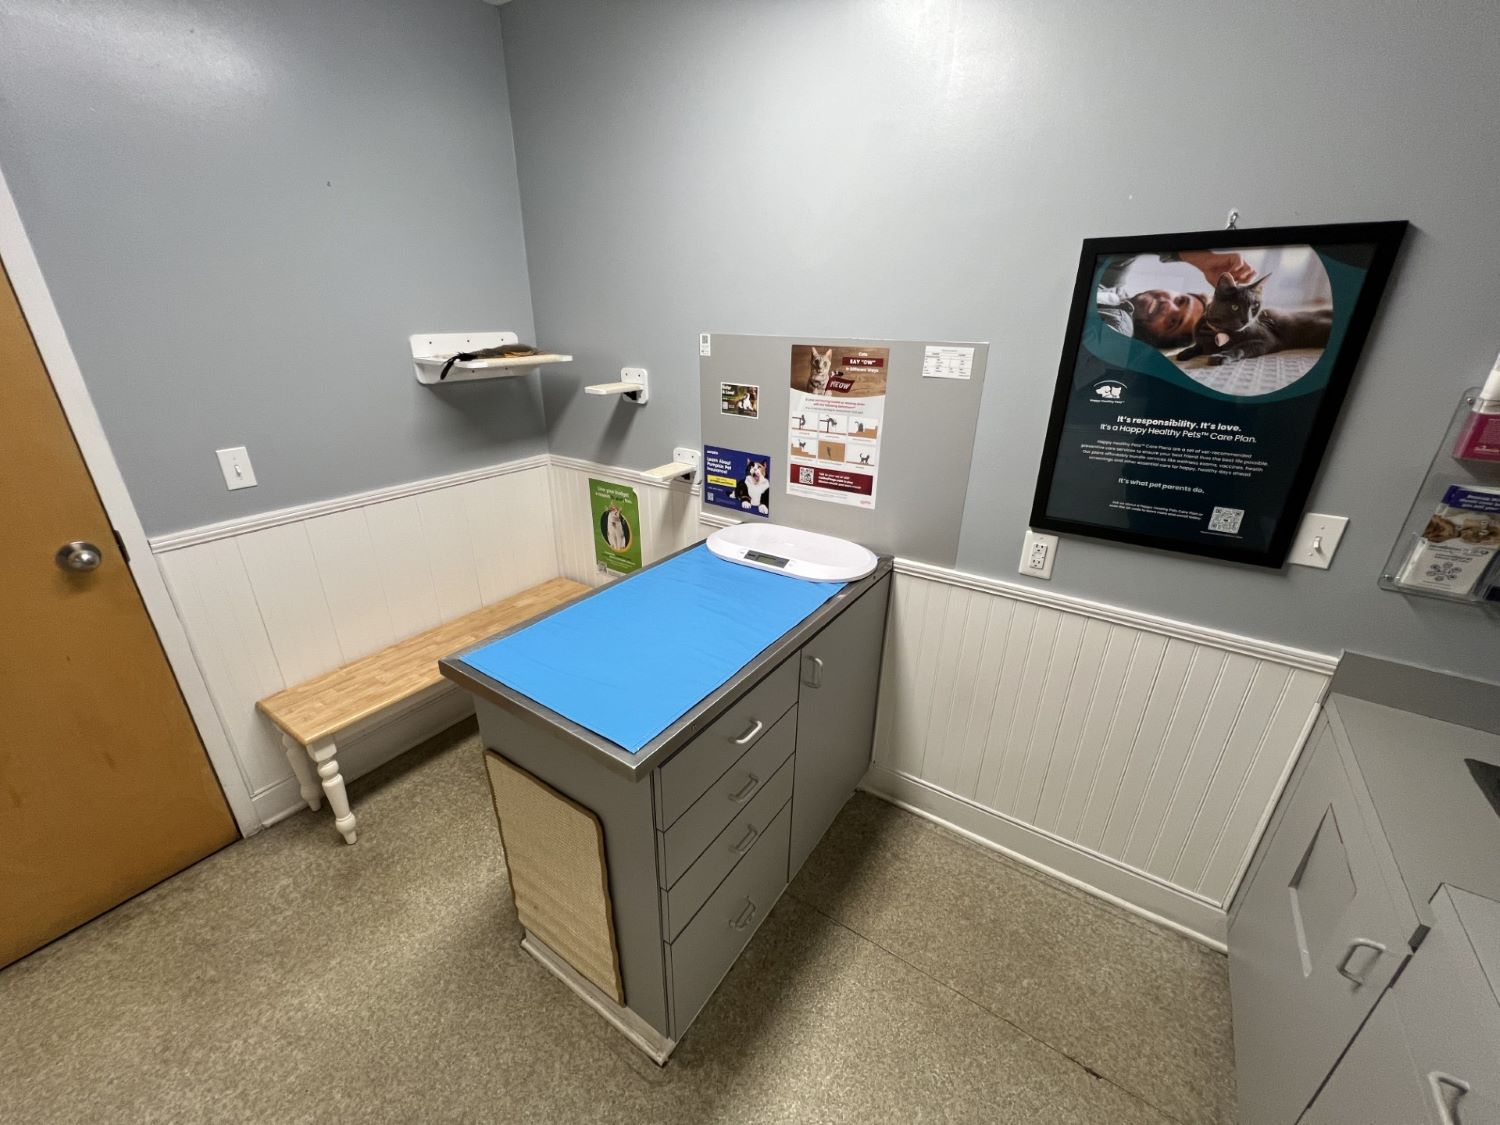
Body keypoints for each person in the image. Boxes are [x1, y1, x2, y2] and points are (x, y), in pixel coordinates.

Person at [1097, 250, 1254, 348]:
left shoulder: (1118, 333)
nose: (1167, 306)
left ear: (1157, 341)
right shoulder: (1111, 284)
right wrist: (1198, 257)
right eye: (1180, 301)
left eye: (1172, 322)